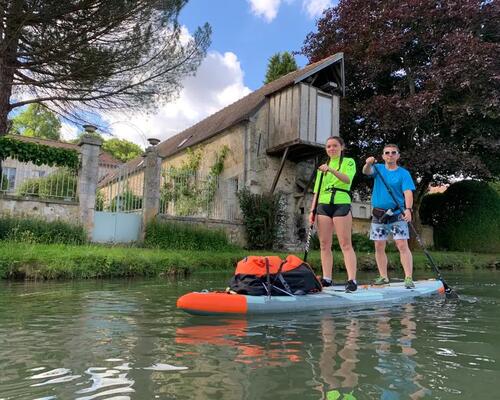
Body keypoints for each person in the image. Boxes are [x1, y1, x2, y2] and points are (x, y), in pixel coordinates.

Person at [362, 144, 416, 288]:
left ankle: (408, 278)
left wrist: (408, 209)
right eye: (387, 153)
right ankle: (384, 277)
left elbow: (408, 193)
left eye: (393, 153)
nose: (390, 155)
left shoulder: (404, 173)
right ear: (383, 155)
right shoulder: (378, 168)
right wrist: (368, 162)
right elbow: (366, 172)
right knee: (379, 245)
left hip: (397, 214)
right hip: (378, 215)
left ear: (398, 156)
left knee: (401, 244)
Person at [309, 136, 357, 292]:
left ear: (341, 147)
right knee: (324, 244)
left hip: (341, 203)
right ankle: (327, 278)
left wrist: (331, 170)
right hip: (323, 205)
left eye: (335, 146)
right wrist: (312, 210)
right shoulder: (322, 168)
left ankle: (351, 280)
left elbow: (347, 179)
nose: (331, 149)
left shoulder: (348, 162)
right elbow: (317, 191)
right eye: (328, 146)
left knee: (345, 243)